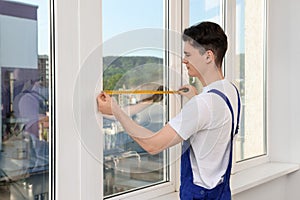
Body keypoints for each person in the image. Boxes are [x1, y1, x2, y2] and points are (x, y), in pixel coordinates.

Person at [97, 21, 241, 200]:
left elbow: (152, 144)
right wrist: (194, 98)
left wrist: (115, 110)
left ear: (208, 56)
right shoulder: (230, 91)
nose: (184, 60)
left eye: (188, 54)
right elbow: (212, 123)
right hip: (221, 193)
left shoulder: (203, 105)